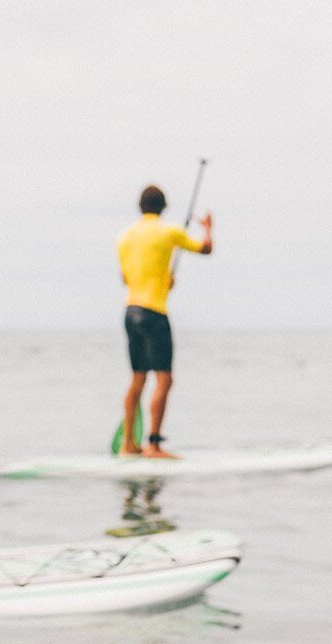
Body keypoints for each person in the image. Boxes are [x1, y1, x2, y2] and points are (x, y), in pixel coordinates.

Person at [117, 185, 214, 458]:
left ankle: (128, 444)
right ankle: (154, 444)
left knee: (137, 378)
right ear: (163, 207)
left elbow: (126, 278)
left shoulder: (124, 237)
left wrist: (162, 281)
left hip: (130, 311)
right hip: (154, 312)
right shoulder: (168, 231)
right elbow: (206, 249)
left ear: (140, 206)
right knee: (164, 379)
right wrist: (207, 227)